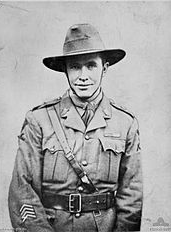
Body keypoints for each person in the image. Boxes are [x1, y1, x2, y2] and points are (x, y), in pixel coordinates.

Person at [8, 23, 143, 232]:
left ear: (104, 68)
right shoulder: (39, 120)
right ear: (65, 70)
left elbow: (131, 198)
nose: (82, 76)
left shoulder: (124, 122)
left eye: (91, 65)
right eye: (74, 66)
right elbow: (22, 192)